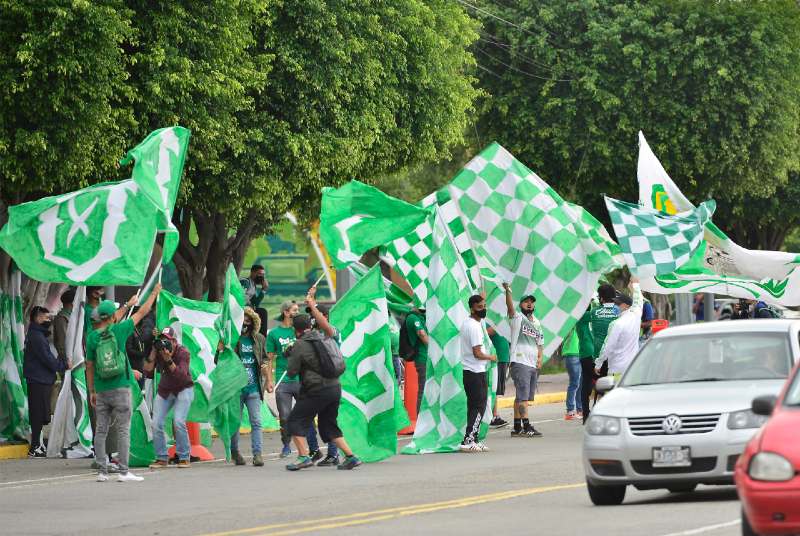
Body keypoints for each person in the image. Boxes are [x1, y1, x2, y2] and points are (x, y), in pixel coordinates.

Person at [85, 284, 160, 482]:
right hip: (121, 386)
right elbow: (143, 312)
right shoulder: (120, 330)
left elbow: (89, 366)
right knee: (123, 430)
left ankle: (102, 471)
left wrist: (92, 390)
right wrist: (154, 293)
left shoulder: (92, 338)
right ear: (112, 317)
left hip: (101, 390)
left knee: (101, 430)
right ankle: (124, 472)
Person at [284, 314, 362, 471]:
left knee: (294, 420)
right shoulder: (325, 338)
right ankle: (351, 457)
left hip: (317, 389)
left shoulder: (299, 344)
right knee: (328, 424)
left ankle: (303, 457)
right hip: (335, 388)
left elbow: (292, 371)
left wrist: (290, 354)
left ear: (296, 330)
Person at [144, 327, 194, 469]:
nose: (164, 343)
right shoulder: (159, 351)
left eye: (167, 340)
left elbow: (181, 376)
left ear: (174, 341)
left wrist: (169, 360)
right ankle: (161, 458)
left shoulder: (183, 352)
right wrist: (154, 350)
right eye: (162, 340)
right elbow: (147, 369)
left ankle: (184, 456)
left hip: (184, 388)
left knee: (178, 421)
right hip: (165, 390)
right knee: (156, 423)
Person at [23, 306, 68, 457]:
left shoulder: (37, 334)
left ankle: (38, 445)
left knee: (40, 414)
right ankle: (34, 447)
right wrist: (63, 365)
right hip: (38, 379)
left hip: (40, 379)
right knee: (37, 414)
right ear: (36, 317)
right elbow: (46, 358)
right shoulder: (36, 336)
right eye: (45, 317)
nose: (48, 319)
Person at [304, 287, 341, 466]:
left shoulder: (332, 332)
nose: (312, 318)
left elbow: (324, 325)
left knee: (328, 419)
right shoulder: (313, 335)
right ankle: (315, 451)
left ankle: (334, 454)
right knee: (307, 416)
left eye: (315, 315)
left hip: (329, 383)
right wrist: (311, 297)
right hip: (314, 383)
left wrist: (313, 304)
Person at [229, 307, 269, 467]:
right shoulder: (232, 339)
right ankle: (235, 452)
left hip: (253, 388)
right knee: (235, 422)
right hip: (236, 388)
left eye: (248, 320)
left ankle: (257, 455)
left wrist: (265, 366)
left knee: (256, 422)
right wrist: (220, 350)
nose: (245, 322)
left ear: (253, 322)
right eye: (242, 319)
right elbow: (220, 361)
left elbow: (265, 358)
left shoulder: (259, 339)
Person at [502, 284, 543, 438]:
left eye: (531, 301)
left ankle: (517, 427)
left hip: (532, 363)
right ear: (521, 304)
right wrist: (508, 292)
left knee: (521, 396)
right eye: (526, 301)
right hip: (520, 362)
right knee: (523, 396)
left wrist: (540, 358)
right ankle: (526, 426)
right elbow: (510, 308)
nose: (529, 303)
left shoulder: (537, 323)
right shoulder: (517, 318)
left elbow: (540, 342)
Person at [459, 295, 496, 452]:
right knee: (478, 406)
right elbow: (477, 353)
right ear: (472, 308)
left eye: (484, 306)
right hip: (475, 371)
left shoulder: (471, 323)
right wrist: (491, 357)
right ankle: (469, 439)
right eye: (480, 307)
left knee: (475, 406)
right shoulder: (473, 327)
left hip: (472, 371)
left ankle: (473, 438)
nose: (483, 309)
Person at [579, 284, 618, 424]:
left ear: (601, 298)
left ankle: (587, 415)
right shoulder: (619, 312)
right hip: (614, 356)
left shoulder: (594, 313)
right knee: (611, 387)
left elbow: (581, 318)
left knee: (591, 385)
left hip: (597, 356)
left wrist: (587, 302)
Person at [268, 300, 301, 458]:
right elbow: (269, 359)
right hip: (283, 381)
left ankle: (310, 446)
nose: (297, 313)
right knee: (285, 416)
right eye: (294, 310)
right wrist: (269, 380)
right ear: (286, 312)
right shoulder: (274, 334)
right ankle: (286, 445)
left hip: (301, 379)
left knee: (304, 412)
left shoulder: (300, 331)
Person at [594, 277, 643, 382]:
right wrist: (635, 285)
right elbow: (639, 300)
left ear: (625, 306)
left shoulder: (616, 324)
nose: (615, 306)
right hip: (632, 370)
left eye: (617, 304)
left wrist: (599, 363)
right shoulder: (636, 315)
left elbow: (607, 346)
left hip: (617, 371)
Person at [52, 288, 75, 412]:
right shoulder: (62, 318)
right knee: (66, 390)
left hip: (73, 360)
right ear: (72, 302)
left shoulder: (72, 316)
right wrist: (67, 360)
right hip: (67, 361)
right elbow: (62, 343)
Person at [404, 307, 428, 413]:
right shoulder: (413, 318)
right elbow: (421, 334)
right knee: (423, 389)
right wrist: (435, 348)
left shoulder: (420, 317)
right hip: (422, 358)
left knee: (427, 389)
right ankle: (420, 420)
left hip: (425, 358)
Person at [125, 309, 155, 389]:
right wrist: (142, 354)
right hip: (133, 366)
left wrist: (153, 335)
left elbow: (144, 341)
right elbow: (129, 350)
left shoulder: (137, 331)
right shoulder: (130, 332)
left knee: (140, 389)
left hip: (140, 366)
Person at [487, 325, 509, 428]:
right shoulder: (488, 319)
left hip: (504, 356)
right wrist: (499, 325)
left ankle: (495, 415)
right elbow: (486, 332)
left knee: (498, 389)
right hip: (496, 357)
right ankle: (493, 416)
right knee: (494, 388)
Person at [240, 264, 269, 336]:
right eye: (259, 274)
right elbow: (240, 297)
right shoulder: (245, 282)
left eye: (263, 275)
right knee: (262, 312)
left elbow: (256, 303)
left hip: (248, 309)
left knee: (262, 311)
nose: (261, 277)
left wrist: (263, 290)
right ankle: (262, 335)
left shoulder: (253, 286)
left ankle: (261, 337)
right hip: (240, 308)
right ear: (252, 272)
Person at [562, 328, 582, 421]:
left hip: (581, 353)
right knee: (574, 383)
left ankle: (579, 410)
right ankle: (570, 411)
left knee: (580, 383)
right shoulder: (571, 321)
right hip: (572, 354)